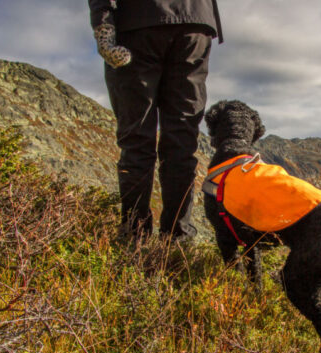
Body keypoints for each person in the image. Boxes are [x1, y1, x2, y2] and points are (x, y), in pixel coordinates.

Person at [88, 0, 223, 243]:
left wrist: (103, 27)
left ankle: (134, 239)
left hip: (138, 22)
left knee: (137, 137)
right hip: (195, 22)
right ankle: (177, 241)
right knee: (182, 140)